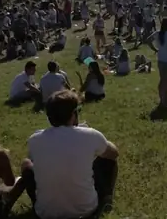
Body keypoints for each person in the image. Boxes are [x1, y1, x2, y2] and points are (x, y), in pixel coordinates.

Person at [22, 90, 119, 219]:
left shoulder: (35, 139)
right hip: (86, 211)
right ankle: (106, 199)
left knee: (26, 164)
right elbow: (113, 153)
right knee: (108, 161)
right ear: (73, 114)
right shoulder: (90, 135)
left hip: (46, 214)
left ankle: (39, 203)